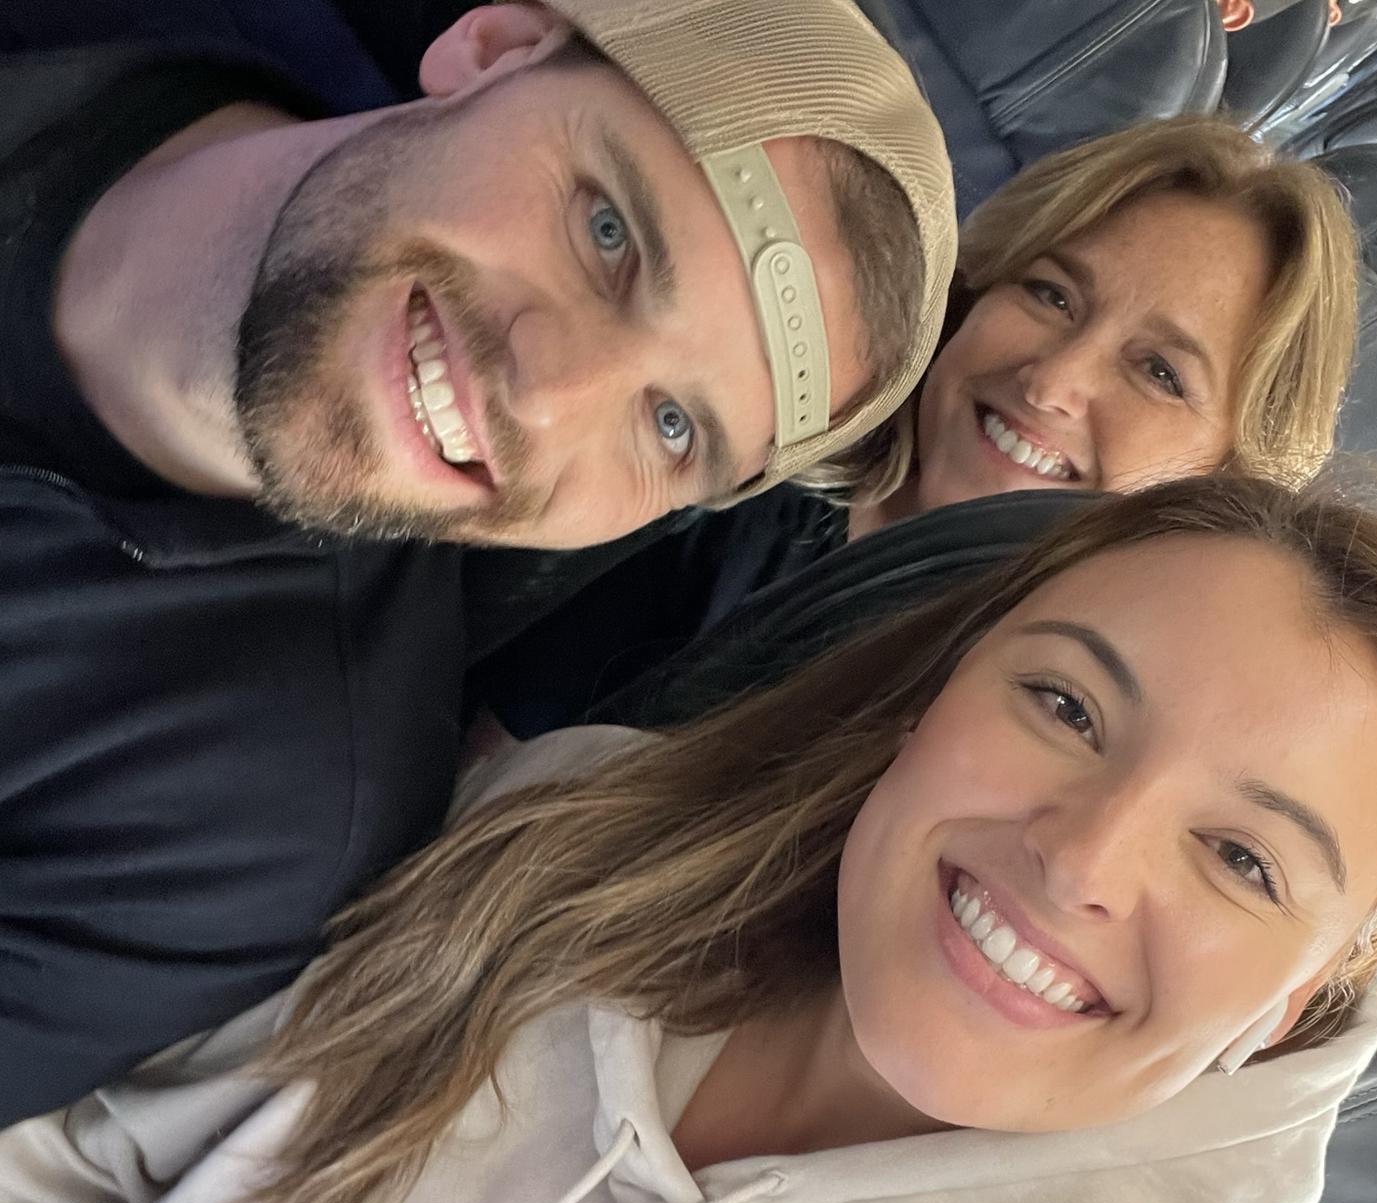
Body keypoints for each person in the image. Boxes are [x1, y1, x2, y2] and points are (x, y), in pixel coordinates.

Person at [1, 472, 1377, 1203]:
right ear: (933, 700)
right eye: (1063, 703)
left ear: (1289, 1007)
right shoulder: (573, 835)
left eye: (1240, 860)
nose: (1086, 858)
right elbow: (77, 1153)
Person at [0, 0, 955, 1125]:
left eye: (670, 428)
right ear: (493, 47)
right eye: (608, 233)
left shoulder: (243, 823)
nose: (546, 397)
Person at [481, 115, 1360, 733]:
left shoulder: (1059, 741)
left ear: (1219, 479)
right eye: (1050, 294)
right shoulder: (746, 447)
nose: (1053, 380)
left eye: (1160, 373)